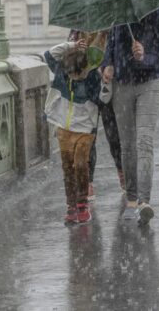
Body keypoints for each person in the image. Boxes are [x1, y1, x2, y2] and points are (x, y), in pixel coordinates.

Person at [102, 6, 159, 226]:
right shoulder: (119, 13)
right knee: (127, 144)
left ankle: (144, 200)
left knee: (144, 142)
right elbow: (110, 44)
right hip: (122, 83)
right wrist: (107, 65)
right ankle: (131, 199)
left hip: (149, 82)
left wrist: (145, 55)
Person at [44, 38, 101, 225]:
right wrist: (71, 45)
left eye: (79, 74)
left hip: (85, 129)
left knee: (80, 164)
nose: (75, 78)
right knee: (67, 168)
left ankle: (82, 203)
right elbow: (49, 55)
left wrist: (106, 83)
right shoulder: (63, 72)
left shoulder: (93, 77)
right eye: (72, 75)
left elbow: (103, 99)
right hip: (64, 128)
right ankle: (71, 205)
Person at [68, 30, 124, 197]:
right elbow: (70, 57)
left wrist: (107, 64)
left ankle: (122, 171)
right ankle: (88, 181)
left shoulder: (113, 24)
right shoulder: (78, 27)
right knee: (88, 136)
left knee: (114, 135)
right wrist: (76, 48)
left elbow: (119, 48)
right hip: (86, 85)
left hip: (108, 82)